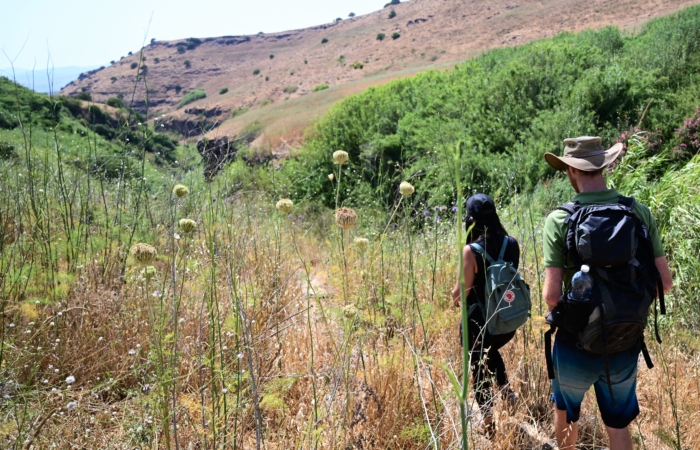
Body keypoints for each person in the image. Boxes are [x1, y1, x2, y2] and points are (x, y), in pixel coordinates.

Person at [542, 136, 673, 450]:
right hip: (625, 339)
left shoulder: (559, 219)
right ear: (604, 165)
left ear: (571, 171)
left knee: (567, 415)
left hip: (575, 343)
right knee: (617, 425)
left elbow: (551, 297)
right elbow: (664, 283)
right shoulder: (637, 211)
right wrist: (625, 308)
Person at [451, 193, 520, 434]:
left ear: (470, 221)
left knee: (479, 366)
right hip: (507, 322)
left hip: (480, 323)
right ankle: (507, 392)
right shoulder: (512, 243)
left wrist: (452, 296)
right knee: (490, 349)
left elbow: (462, 293)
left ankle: (489, 423)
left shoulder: (471, 251)